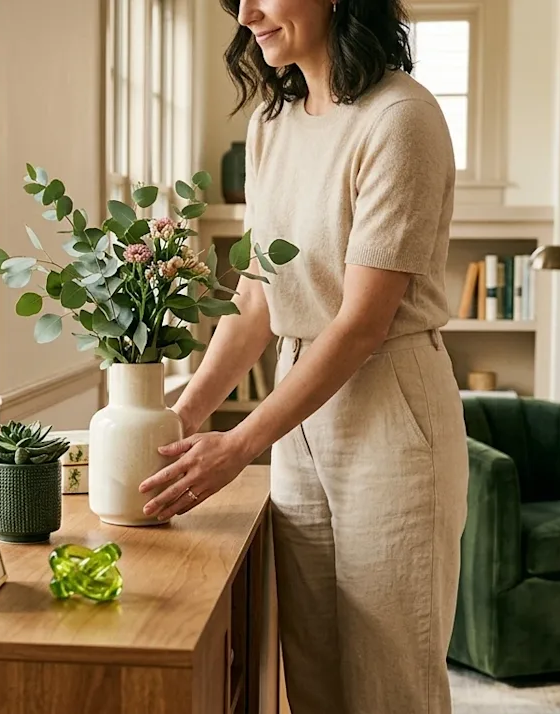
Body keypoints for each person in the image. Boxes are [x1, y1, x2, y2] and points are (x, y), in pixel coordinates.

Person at [138, 1, 469, 712]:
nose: (247, 10)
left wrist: (241, 443)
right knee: (311, 674)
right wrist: (189, 410)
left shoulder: (399, 118)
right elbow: (259, 294)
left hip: (391, 411)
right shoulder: (271, 125)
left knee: (391, 683)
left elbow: (360, 324)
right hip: (300, 414)